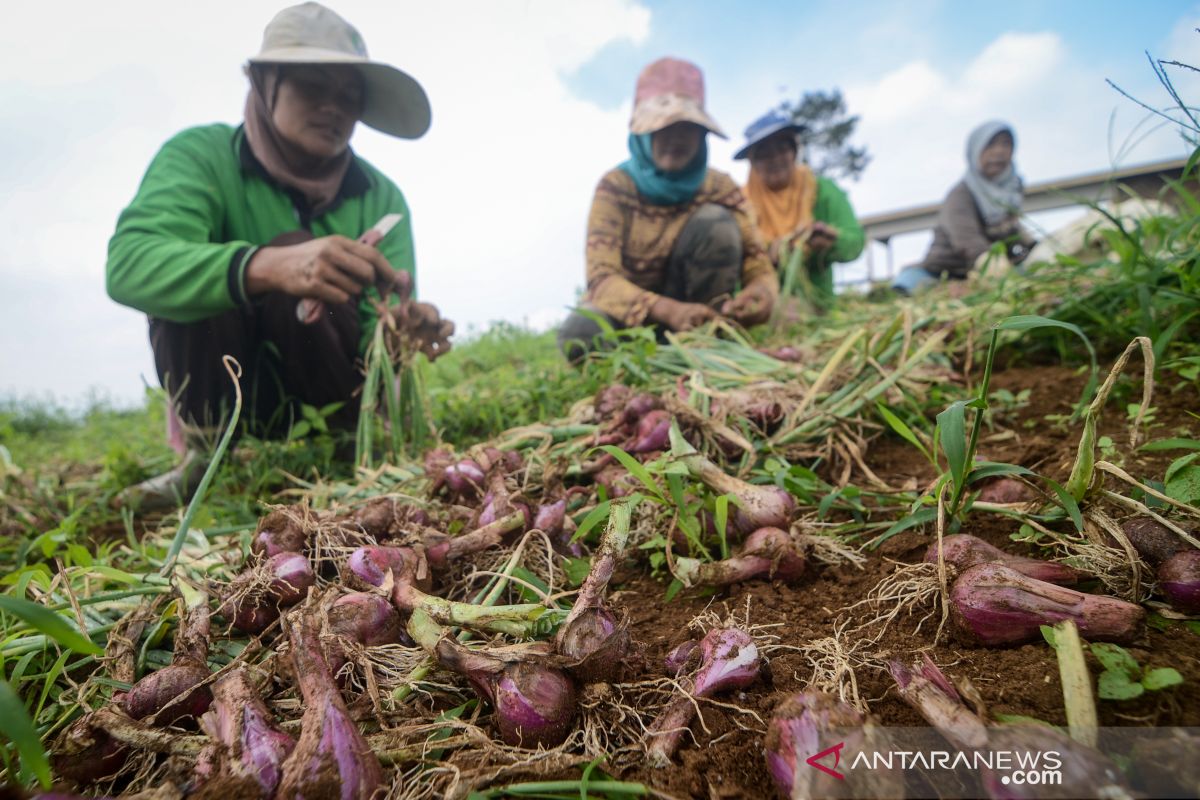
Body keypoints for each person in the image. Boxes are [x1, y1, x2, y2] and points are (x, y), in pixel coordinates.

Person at [106, 2, 453, 509]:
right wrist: (266, 267)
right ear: (265, 82)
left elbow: (393, 311)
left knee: (305, 266)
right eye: (313, 85)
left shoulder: (381, 197)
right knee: (275, 253)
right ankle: (207, 457)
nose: (334, 107)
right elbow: (131, 264)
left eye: (349, 96)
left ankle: (348, 441)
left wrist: (405, 326)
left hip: (332, 384)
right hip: (230, 383)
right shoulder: (199, 158)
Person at [557, 57, 779, 361]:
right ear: (644, 134)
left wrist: (762, 292)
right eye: (664, 127)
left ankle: (708, 345)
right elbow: (602, 279)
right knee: (581, 332)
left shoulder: (720, 188)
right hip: (631, 321)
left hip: (695, 316)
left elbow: (758, 262)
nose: (676, 138)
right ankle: (637, 366)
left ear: (701, 136)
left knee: (716, 222)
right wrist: (666, 310)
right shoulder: (615, 187)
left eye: (687, 128)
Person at [736, 109, 864, 310]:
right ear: (752, 161)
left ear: (794, 151)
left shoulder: (821, 191)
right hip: (760, 309)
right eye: (764, 154)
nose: (775, 159)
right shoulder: (739, 205)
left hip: (818, 307)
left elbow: (855, 241)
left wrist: (831, 241)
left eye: (782, 149)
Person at [893, 120, 1036, 294]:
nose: (999, 151)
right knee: (910, 284)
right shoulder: (960, 195)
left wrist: (1034, 246)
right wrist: (992, 265)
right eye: (990, 144)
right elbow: (967, 241)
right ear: (975, 150)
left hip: (993, 269)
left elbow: (1014, 227)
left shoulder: (1012, 190)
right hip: (948, 270)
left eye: (1006, 144)